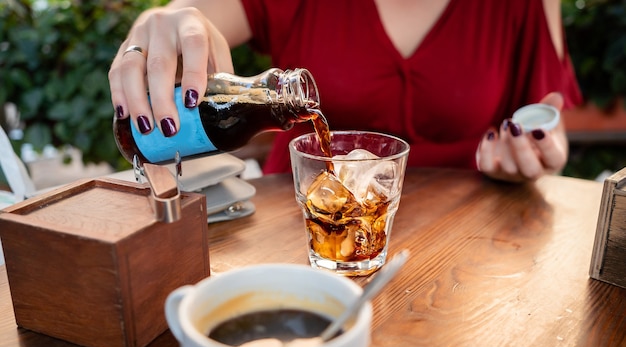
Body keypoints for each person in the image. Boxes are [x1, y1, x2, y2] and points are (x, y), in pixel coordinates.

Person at [108, 0, 582, 183]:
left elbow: (540, 117)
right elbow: (188, 15)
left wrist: (538, 152)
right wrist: (157, 26)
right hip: (300, 235)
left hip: (467, 246)